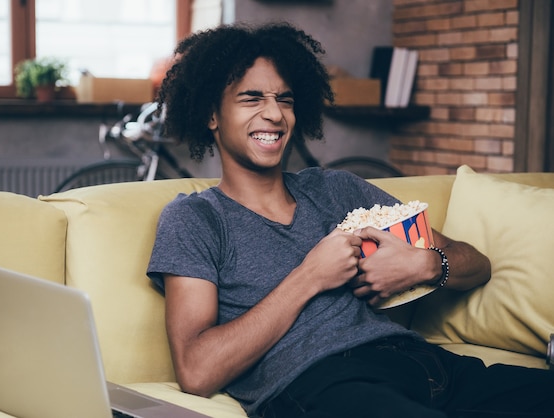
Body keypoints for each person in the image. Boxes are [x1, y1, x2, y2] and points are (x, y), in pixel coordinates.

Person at [147, 22, 554, 418]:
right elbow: (197, 371)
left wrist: (426, 264)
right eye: (252, 98)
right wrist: (310, 276)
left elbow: (478, 265)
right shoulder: (194, 218)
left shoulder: (337, 190)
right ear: (211, 115)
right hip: (322, 383)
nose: (274, 114)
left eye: (285, 100)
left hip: (422, 362)